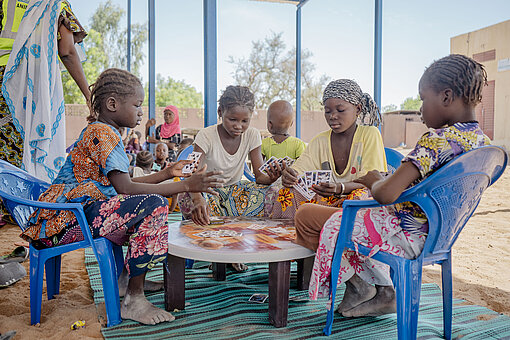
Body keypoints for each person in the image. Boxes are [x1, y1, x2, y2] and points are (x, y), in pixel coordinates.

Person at [22, 68, 225, 325]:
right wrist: (185, 185)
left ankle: (124, 280)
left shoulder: (104, 132)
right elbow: (126, 189)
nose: (141, 112)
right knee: (154, 207)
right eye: (137, 105)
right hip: (67, 222)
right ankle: (133, 299)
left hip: (73, 215)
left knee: (146, 205)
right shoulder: (103, 134)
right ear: (112, 104)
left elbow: (126, 185)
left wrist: (166, 174)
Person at [296, 54, 490, 318]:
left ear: (446, 97)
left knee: (307, 216)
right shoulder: (483, 144)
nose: (420, 109)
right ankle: (374, 289)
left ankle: (369, 287)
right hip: (438, 237)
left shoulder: (436, 141)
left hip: (402, 233)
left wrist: (372, 180)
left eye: (423, 99)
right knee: (338, 216)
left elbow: (386, 193)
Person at [264, 79, 386, 219]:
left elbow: (372, 182)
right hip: (327, 202)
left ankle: (340, 225)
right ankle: (291, 233)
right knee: (288, 193)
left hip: (354, 200)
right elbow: (299, 171)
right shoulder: (319, 141)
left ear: (357, 109)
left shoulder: (370, 134)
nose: (333, 116)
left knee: (361, 196)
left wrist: (341, 188)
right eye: (327, 111)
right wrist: (289, 176)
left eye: (340, 110)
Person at [1, 0, 90, 183]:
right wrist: (89, 96)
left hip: (4, 80)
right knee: (19, 164)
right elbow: (67, 51)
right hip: (29, 86)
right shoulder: (55, 3)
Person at [178, 85, 277, 225]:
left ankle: (230, 221)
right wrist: (197, 198)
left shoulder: (253, 135)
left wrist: (273, 178)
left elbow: (260, 177)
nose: (238, 126)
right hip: (207, 190)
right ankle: (211, 224)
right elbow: (190, 173)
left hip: (235, 191)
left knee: (273, 192)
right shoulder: (205, 136)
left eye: (244, 121)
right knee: (186, 197)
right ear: (220, 112)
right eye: (233, 119)